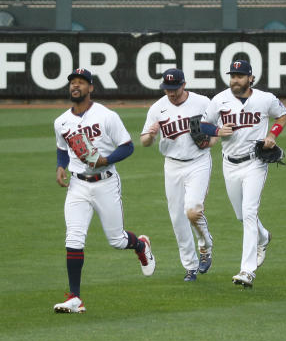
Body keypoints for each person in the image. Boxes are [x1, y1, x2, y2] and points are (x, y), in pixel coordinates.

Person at [53, 67, 155, 313]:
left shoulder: (106, 116)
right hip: (77, 186)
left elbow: (128, 147)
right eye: (72, 82)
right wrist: (60, 166)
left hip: (106, 183)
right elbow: (62, 147)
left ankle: (140, 245)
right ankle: (75, 297)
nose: (75, 86)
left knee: (117, 240)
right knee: (74, 238)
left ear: (91, 88)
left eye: (81, 82)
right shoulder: (61, 121)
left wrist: (105, 159)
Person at [200, 60, 286, 288]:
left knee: (249, 212)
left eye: (239, 76)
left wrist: (273, 135)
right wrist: (218, 130)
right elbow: (203, 125)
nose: (235, 80)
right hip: (229, 164)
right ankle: (264, 236)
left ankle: (247, 271)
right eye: (232, 76)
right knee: (241, 215)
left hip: (255, 163)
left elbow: (282, 115)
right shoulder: (219, 100)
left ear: (250, 78)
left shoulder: (264, 98)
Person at [140, 68, 215, 282]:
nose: (171, 93)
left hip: (198, 162)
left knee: (193, 210)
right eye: (167, 89)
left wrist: (210, 142)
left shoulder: (202, 102)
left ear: (184, 84)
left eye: (174, 88)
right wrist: (151, 135)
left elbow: (216, 130)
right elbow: (144, 141)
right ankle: (190, 267)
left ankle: (205, 245)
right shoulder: (157, 108)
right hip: (172, 165)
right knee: (177, 218)